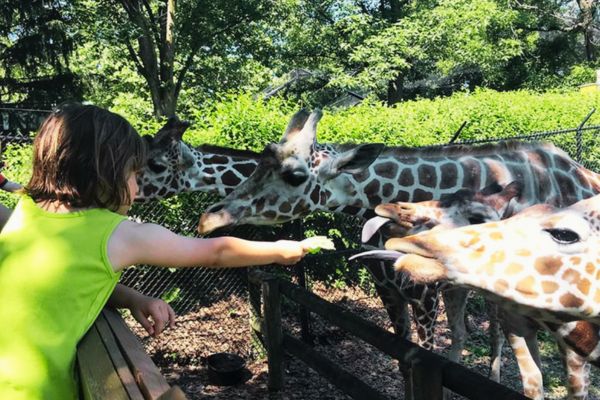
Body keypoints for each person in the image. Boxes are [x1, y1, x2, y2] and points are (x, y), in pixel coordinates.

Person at [0, 103, 318, 400]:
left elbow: (65, 281)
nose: (138, 188)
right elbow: (216, 252)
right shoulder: (120, 234)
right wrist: (280, 249)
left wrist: (133, 298)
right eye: (135, 175)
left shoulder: (25, 213)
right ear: (106, 173)